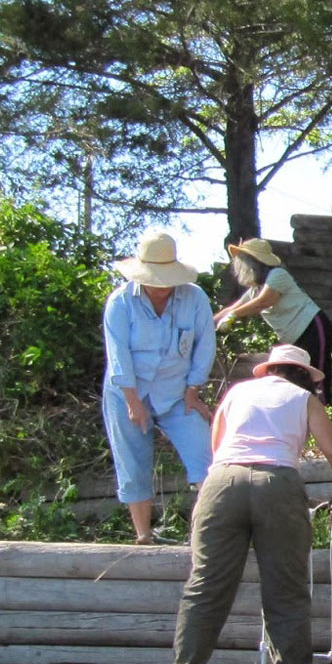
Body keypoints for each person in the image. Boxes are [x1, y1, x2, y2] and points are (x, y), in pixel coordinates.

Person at [165, 344, 332, 664]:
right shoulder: (303, 399)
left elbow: (217, 444)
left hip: (222, 482)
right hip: (277, 486)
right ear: (305, 376)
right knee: (285, 588)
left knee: (205, 586)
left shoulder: (237, 393)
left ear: (269, 370)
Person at [102, 229, 217, 545]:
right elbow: (118, 354)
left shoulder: (194, 298)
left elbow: (205, 345)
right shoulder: (120, 302)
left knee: (205, 455)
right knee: (133, 460)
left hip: (177, 391)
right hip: (126, 392)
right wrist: (131, 400)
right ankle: (143, 536)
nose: (161, 287)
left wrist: (193, 389)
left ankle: (205, 534)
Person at [214, 237, 332, 405]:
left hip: (312, 328)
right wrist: (209, 323)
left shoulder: (278, 275)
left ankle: (324, 419)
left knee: (317, 378)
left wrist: (233, 316)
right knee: (297, 380)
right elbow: (233, 307)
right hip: (294, 338)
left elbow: (264, 301)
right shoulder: (255, 289)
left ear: (253, 262)